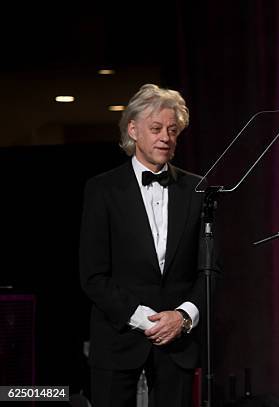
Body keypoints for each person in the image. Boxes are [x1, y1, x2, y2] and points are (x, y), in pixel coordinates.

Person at [80, 84, 206, 407]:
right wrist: (144, 319)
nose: (166, 136)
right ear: (133, 130)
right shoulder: (102, 190)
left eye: (172, 130)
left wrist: (182, 317)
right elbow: (93, 276)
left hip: (177, 346)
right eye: (156, 128)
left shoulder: (197, 190)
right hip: (117, 340)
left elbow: (210, 271)